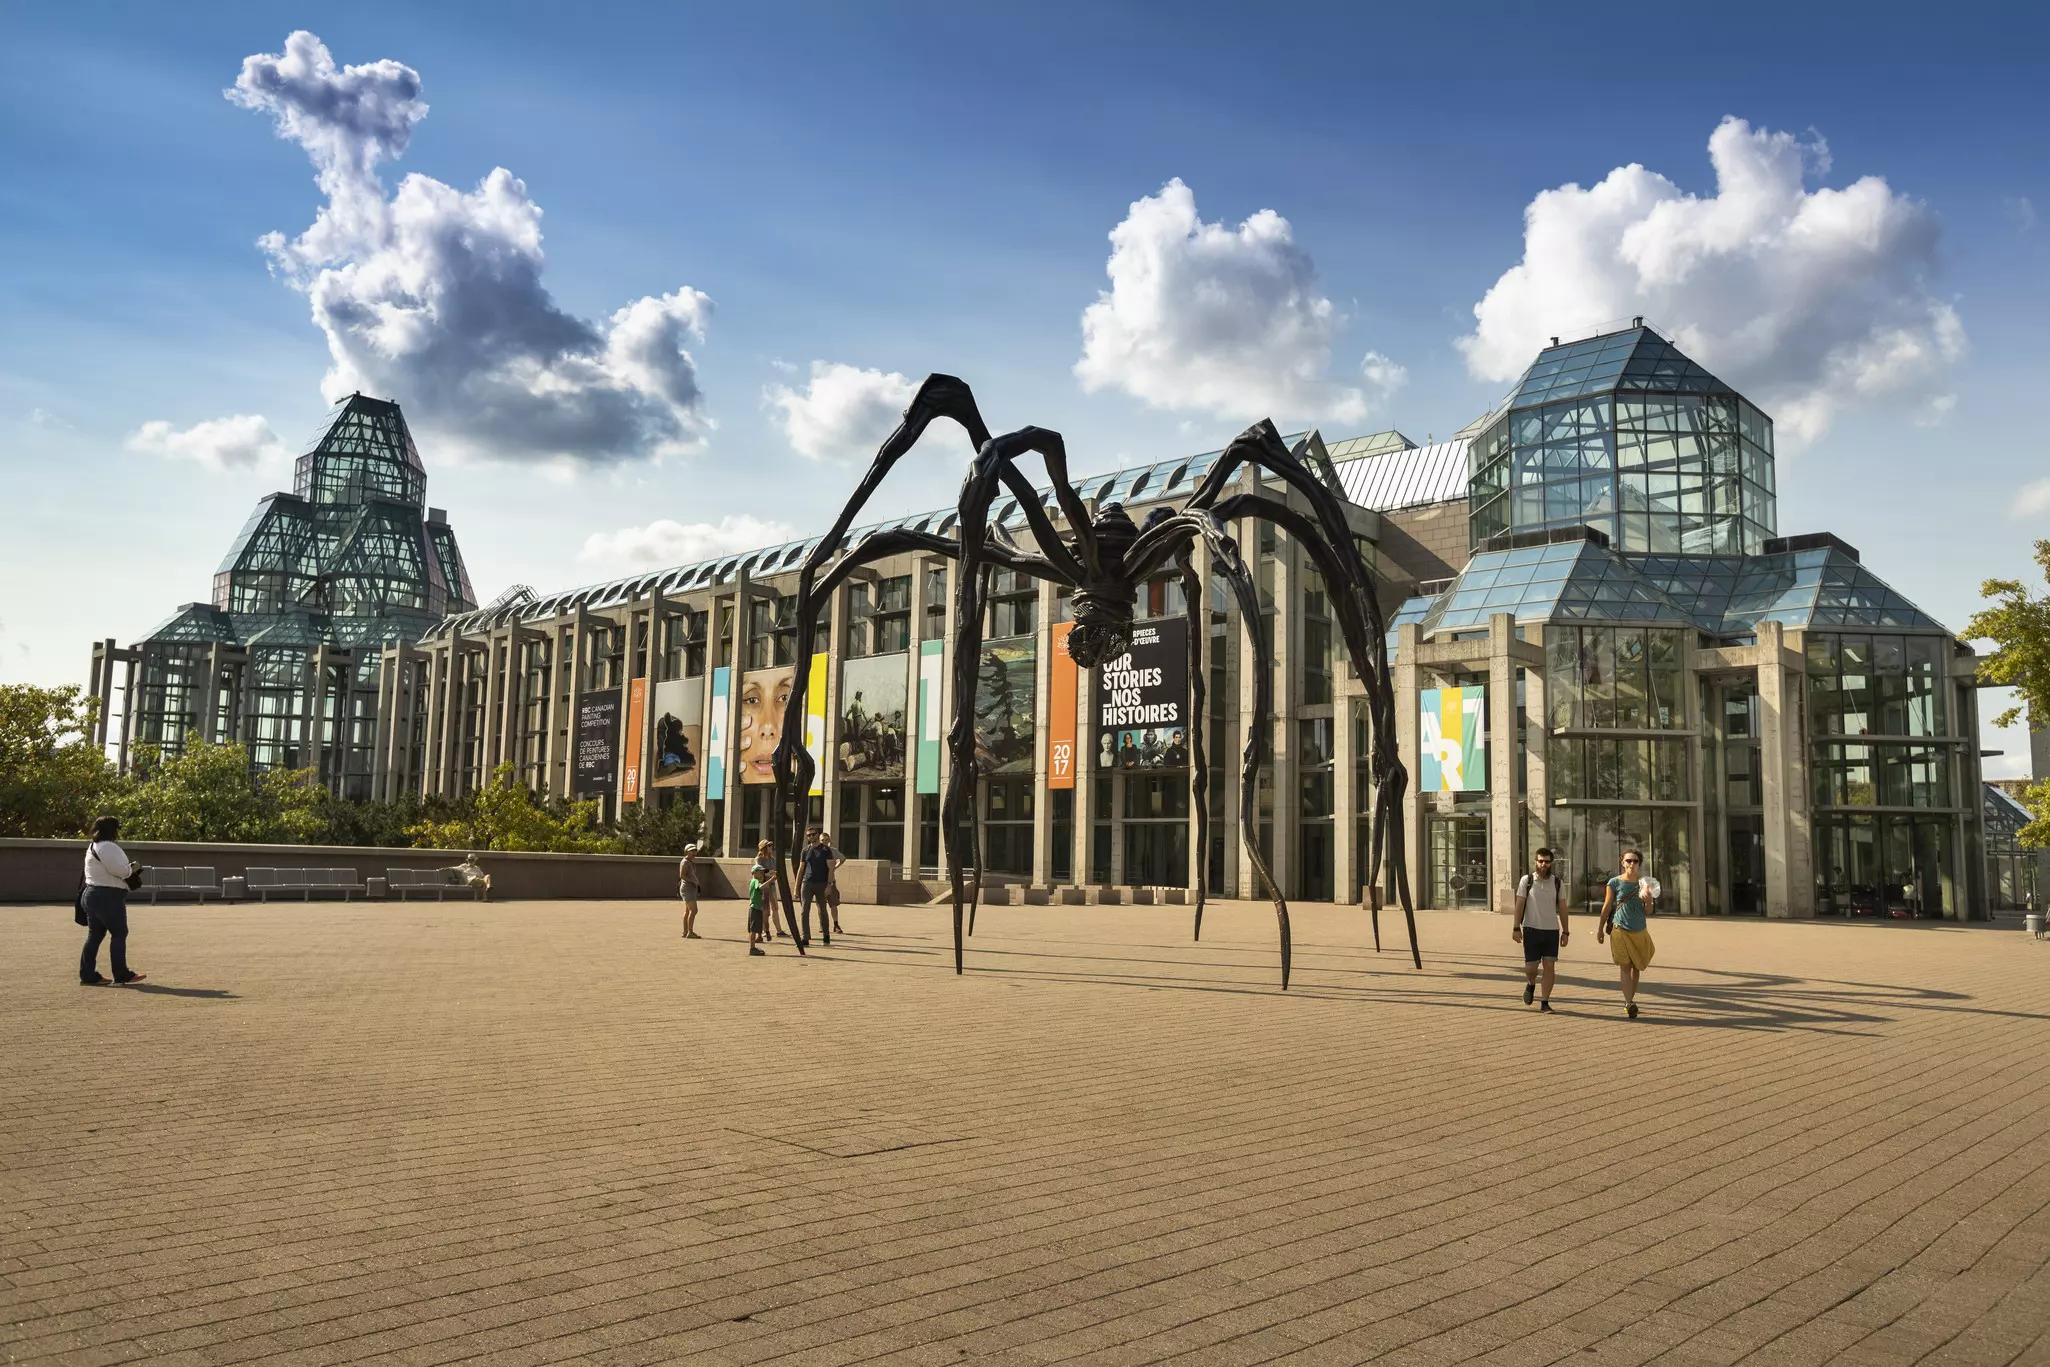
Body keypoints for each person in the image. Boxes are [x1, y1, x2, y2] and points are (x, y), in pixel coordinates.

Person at [80, 816, 146, 986]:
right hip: (107, 896)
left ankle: (88, 975)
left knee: (95, 935)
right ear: (112, 830)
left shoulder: (93, 846)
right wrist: (130, 870)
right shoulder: (108, 847)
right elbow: (119, 870)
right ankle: (121, 974)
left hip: (92, 894)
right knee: (119, 933)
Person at [1597, 849, 1656, 1018]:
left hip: (1639, 930)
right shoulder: (1614, 882)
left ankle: (1630, 999)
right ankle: (1629, 1002)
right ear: (1622, 862)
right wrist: (1600, 928)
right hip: (1619, 929)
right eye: (1628, 861)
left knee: (1636, 967)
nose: (1632, 864)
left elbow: (1648, 912)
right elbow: (1607, 906)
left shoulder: (1645, 884)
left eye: (1635, 861)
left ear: (1639, 864)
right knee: (1625, 966)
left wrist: (1648, 900)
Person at [1512, 846, 1568, 1012]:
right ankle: (1530, 984)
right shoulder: (1527, 880)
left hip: (1551, 931)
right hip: (1531, 929)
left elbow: (1563, 908)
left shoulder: (1557, 883)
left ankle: (1545, 1002)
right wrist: (1516, 927)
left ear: (1551, 863)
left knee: (1549, 966)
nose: (1543, 864)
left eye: (1547, 862)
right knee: (1531, 968)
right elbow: (1520, 904)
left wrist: (1565, 931)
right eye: (1540, 861)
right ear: (1535, 862)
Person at [797, 829, 845, 945]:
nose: (811, 837)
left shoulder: (826, 850)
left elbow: (831, 869)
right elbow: (801, 868)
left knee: (822, 909)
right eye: (808, 835)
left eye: (813, 834)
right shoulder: (806, 850)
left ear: (817, 835)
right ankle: (805, 937)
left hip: (821, 883)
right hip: (807, 883)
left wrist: (829, 885)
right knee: (804, 910)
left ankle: (826, 934)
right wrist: (796, 887)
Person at [747, 842, 774, 956]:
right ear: (754, 873)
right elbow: (761, 887)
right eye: (760, 871)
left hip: (757, 907)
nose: (762, 873)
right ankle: (752, 948)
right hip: (754, 908)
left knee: (756, 928)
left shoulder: (757, 880)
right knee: (753, 929)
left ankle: (754, 945)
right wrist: (771, 880)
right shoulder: (755, 881)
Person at [677, 843, 703, 939]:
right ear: (687, 852)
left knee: (688, 911)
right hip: (687, 888)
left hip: (691, 888)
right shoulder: (685, 862)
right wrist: (693, 881)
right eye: (692, 850)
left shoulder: (690, 862)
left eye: (695, 850)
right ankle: (690, 932)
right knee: (694, 910)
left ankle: (685, 932)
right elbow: (682, 876)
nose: (694, 852)